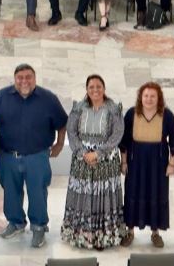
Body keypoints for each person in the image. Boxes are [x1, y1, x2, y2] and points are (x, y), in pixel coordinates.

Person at [0, 63, 68, 248]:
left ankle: (39, 227)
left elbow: (62, 123)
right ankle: (16, 223)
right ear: (14, 79)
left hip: (37, 157)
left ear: (34, 79)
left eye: (28, 77)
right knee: (10, 192)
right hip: (8, 156)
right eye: (20, 78)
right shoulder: (1, 97)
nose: (24, 81)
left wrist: (58, 144)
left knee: (38, 193)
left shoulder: (48, 98)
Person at [61, 74, 127, 250]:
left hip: (105, 161)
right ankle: (81, 234)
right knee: (83, 196)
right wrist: (83, 153)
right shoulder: (79, 108)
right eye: (91, 87)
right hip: (82, 161)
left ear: (104, 88)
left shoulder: (114, 108)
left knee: (103, 197)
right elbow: (71, 131)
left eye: (98, 86)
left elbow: (117, 134)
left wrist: (97, 153)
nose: (95, 90)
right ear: (86, 89)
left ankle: (103, 237)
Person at [120, 82, 174, 248]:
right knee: (132, 193)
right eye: (146, 96)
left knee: (156, 194)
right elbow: (124, 142)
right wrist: (123, 162)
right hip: (135, 161)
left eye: (153, 96)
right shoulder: (132, 113)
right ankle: (130, 231)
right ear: (141, 97)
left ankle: (155, 233)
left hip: (158, 163)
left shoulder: (167, 115)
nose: (149, 99)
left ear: (159, 98)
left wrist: (171, 164)